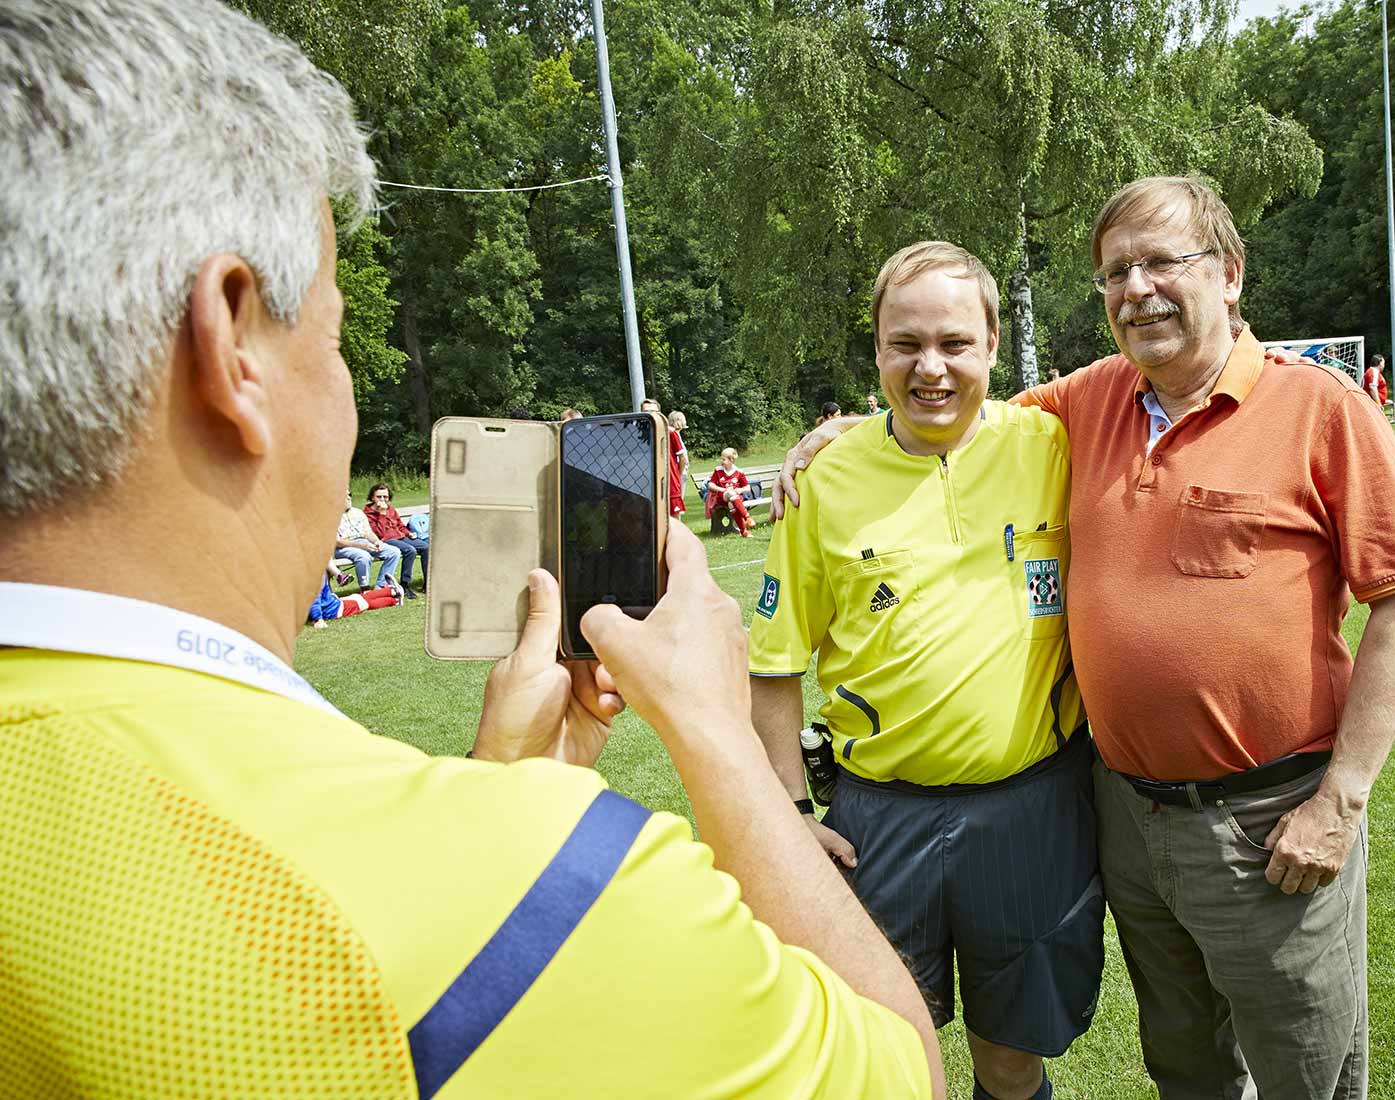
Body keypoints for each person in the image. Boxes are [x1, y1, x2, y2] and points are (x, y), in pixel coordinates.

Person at [0, 5, 944, 1098]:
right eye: (337, 332)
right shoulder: (553, 892)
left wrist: (499, 799)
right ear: (232, 346)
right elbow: (896, 1064)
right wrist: (718, 738)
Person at [778, 177, 1395, 1100]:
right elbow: (950, 409)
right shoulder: (1087, 402)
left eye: (1163, 262)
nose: (1137, 289)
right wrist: (851, 433)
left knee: (1303, 1066)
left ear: (1231, 275)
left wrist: (1341, 802)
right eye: (1115, 272)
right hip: (1124, 815)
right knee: (1185, 1062)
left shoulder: (1321, 408)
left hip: (1271, 817)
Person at [750, 242, 1100, 1100]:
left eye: (953, 342)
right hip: (879, 820)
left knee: (1012, 1060)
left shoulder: (1053, 444)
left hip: (1032, 808)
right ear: (876, 352)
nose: (930, 367)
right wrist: (793, 812)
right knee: (881, 1061)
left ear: (991, 345)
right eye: (906, 344)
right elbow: (772, 668)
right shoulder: (824, 478)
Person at [365, 482, 428, 596]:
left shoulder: (390, 509)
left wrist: (409, 533)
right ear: (372, 497)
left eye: (385, 497)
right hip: (385, 540)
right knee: (410, 550)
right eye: (379, 496)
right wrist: (382, 514)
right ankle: (405, 584)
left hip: (400, 536)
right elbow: (380, 533)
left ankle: (427, 583)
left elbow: (400, 525)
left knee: (426, 547)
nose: (383, 499)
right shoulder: (368, 513)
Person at [336, 488, 402, 590]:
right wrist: (362, 546)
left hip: (364, 543)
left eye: (349, 495)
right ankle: (365, 589)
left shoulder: (358, 513)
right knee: (364, 556)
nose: (348, 498)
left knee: (394, 552)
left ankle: (381, 587)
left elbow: (368, 532)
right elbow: (338, 542)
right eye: (344, 496)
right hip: (345, 547)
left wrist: (377, 541)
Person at [308, 565, 402, 628]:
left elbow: (314, 599)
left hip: (333, 608)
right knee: (361, 600)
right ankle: (393, 594)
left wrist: (318, 619)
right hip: (332, 607)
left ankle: (394, 596)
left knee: (362, 601)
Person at [706, 448, 755, 537]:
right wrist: (722, 490)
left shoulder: (739, 472)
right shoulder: (718, 470)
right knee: (730, 494)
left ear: (731, 460)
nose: (721, 461)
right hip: (722, 496)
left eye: (724, 459)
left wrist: (740, 490)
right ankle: (747, 517)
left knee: (731, 503)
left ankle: (744, 532)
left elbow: (747, 487)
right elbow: (710, 484)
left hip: (736, 498)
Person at [667, 411, 690, 518]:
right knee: (676, 503)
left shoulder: (674, 434)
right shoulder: (673, 434)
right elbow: (682, 458)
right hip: (677, 473)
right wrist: (680, 473)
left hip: (678, 472)